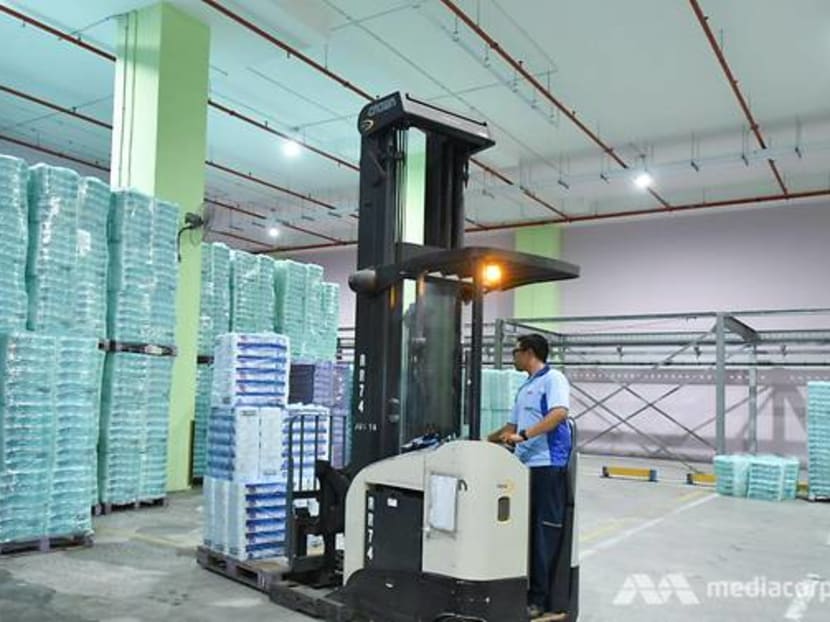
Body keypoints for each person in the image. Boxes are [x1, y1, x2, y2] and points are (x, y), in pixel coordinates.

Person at [487, 333, 571, 620]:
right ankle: (523, 590)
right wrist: (486, 439)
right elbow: (511, 424)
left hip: (547, 465)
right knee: (522, 532)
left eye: (516, 351)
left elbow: (559, 413)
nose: (513, 357)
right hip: (523, 467)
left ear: (530, 352)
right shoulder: (526, 387)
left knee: (543, 533)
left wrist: (523, 436)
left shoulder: (553, 379)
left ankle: (539, 600)